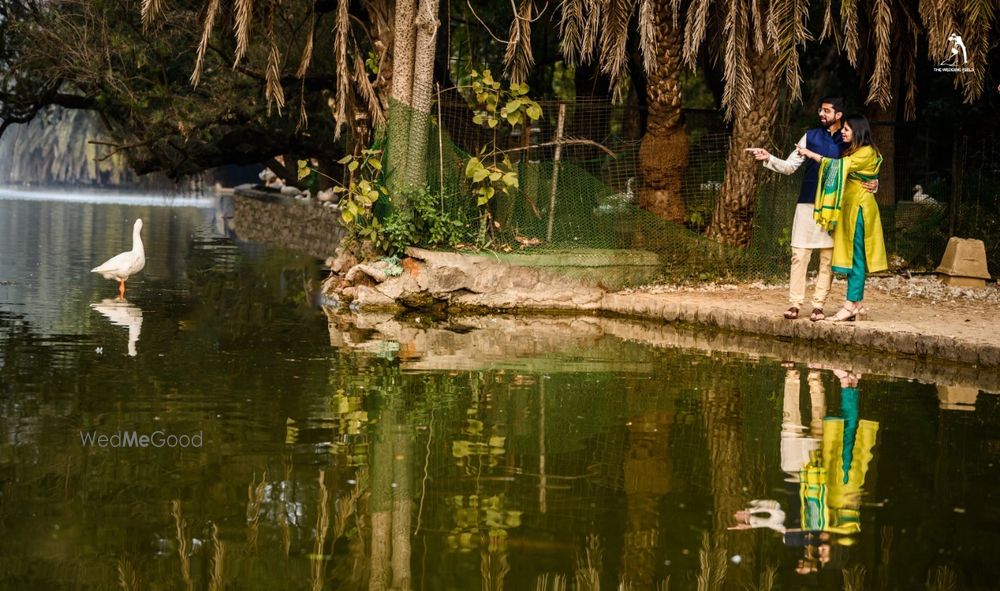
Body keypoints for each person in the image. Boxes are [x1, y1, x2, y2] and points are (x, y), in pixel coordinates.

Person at [746, 98, 875, 322]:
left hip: (835, 208)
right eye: (820, 110)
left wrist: (875, 183)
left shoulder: (849, 140)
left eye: (827, 111)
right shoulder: (810, 136)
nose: (821, 114)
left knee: (827, 259)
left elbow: (862, 167)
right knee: (799, 255)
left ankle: (818, 306)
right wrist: (769, 158)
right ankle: (795, 303)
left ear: (839, 114)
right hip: (806, 203)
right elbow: (789, 166)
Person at [798, 115, 888, 322]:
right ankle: (855, 303)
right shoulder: (857, 151)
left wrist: (810, 153)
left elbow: (836, 167)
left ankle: (850, 305)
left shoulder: (866, 152)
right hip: (850, 210)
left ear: (858, 131)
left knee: (856, 259)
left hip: (859, 210)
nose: (843, 132)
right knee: (852, 257)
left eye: (846, 129)